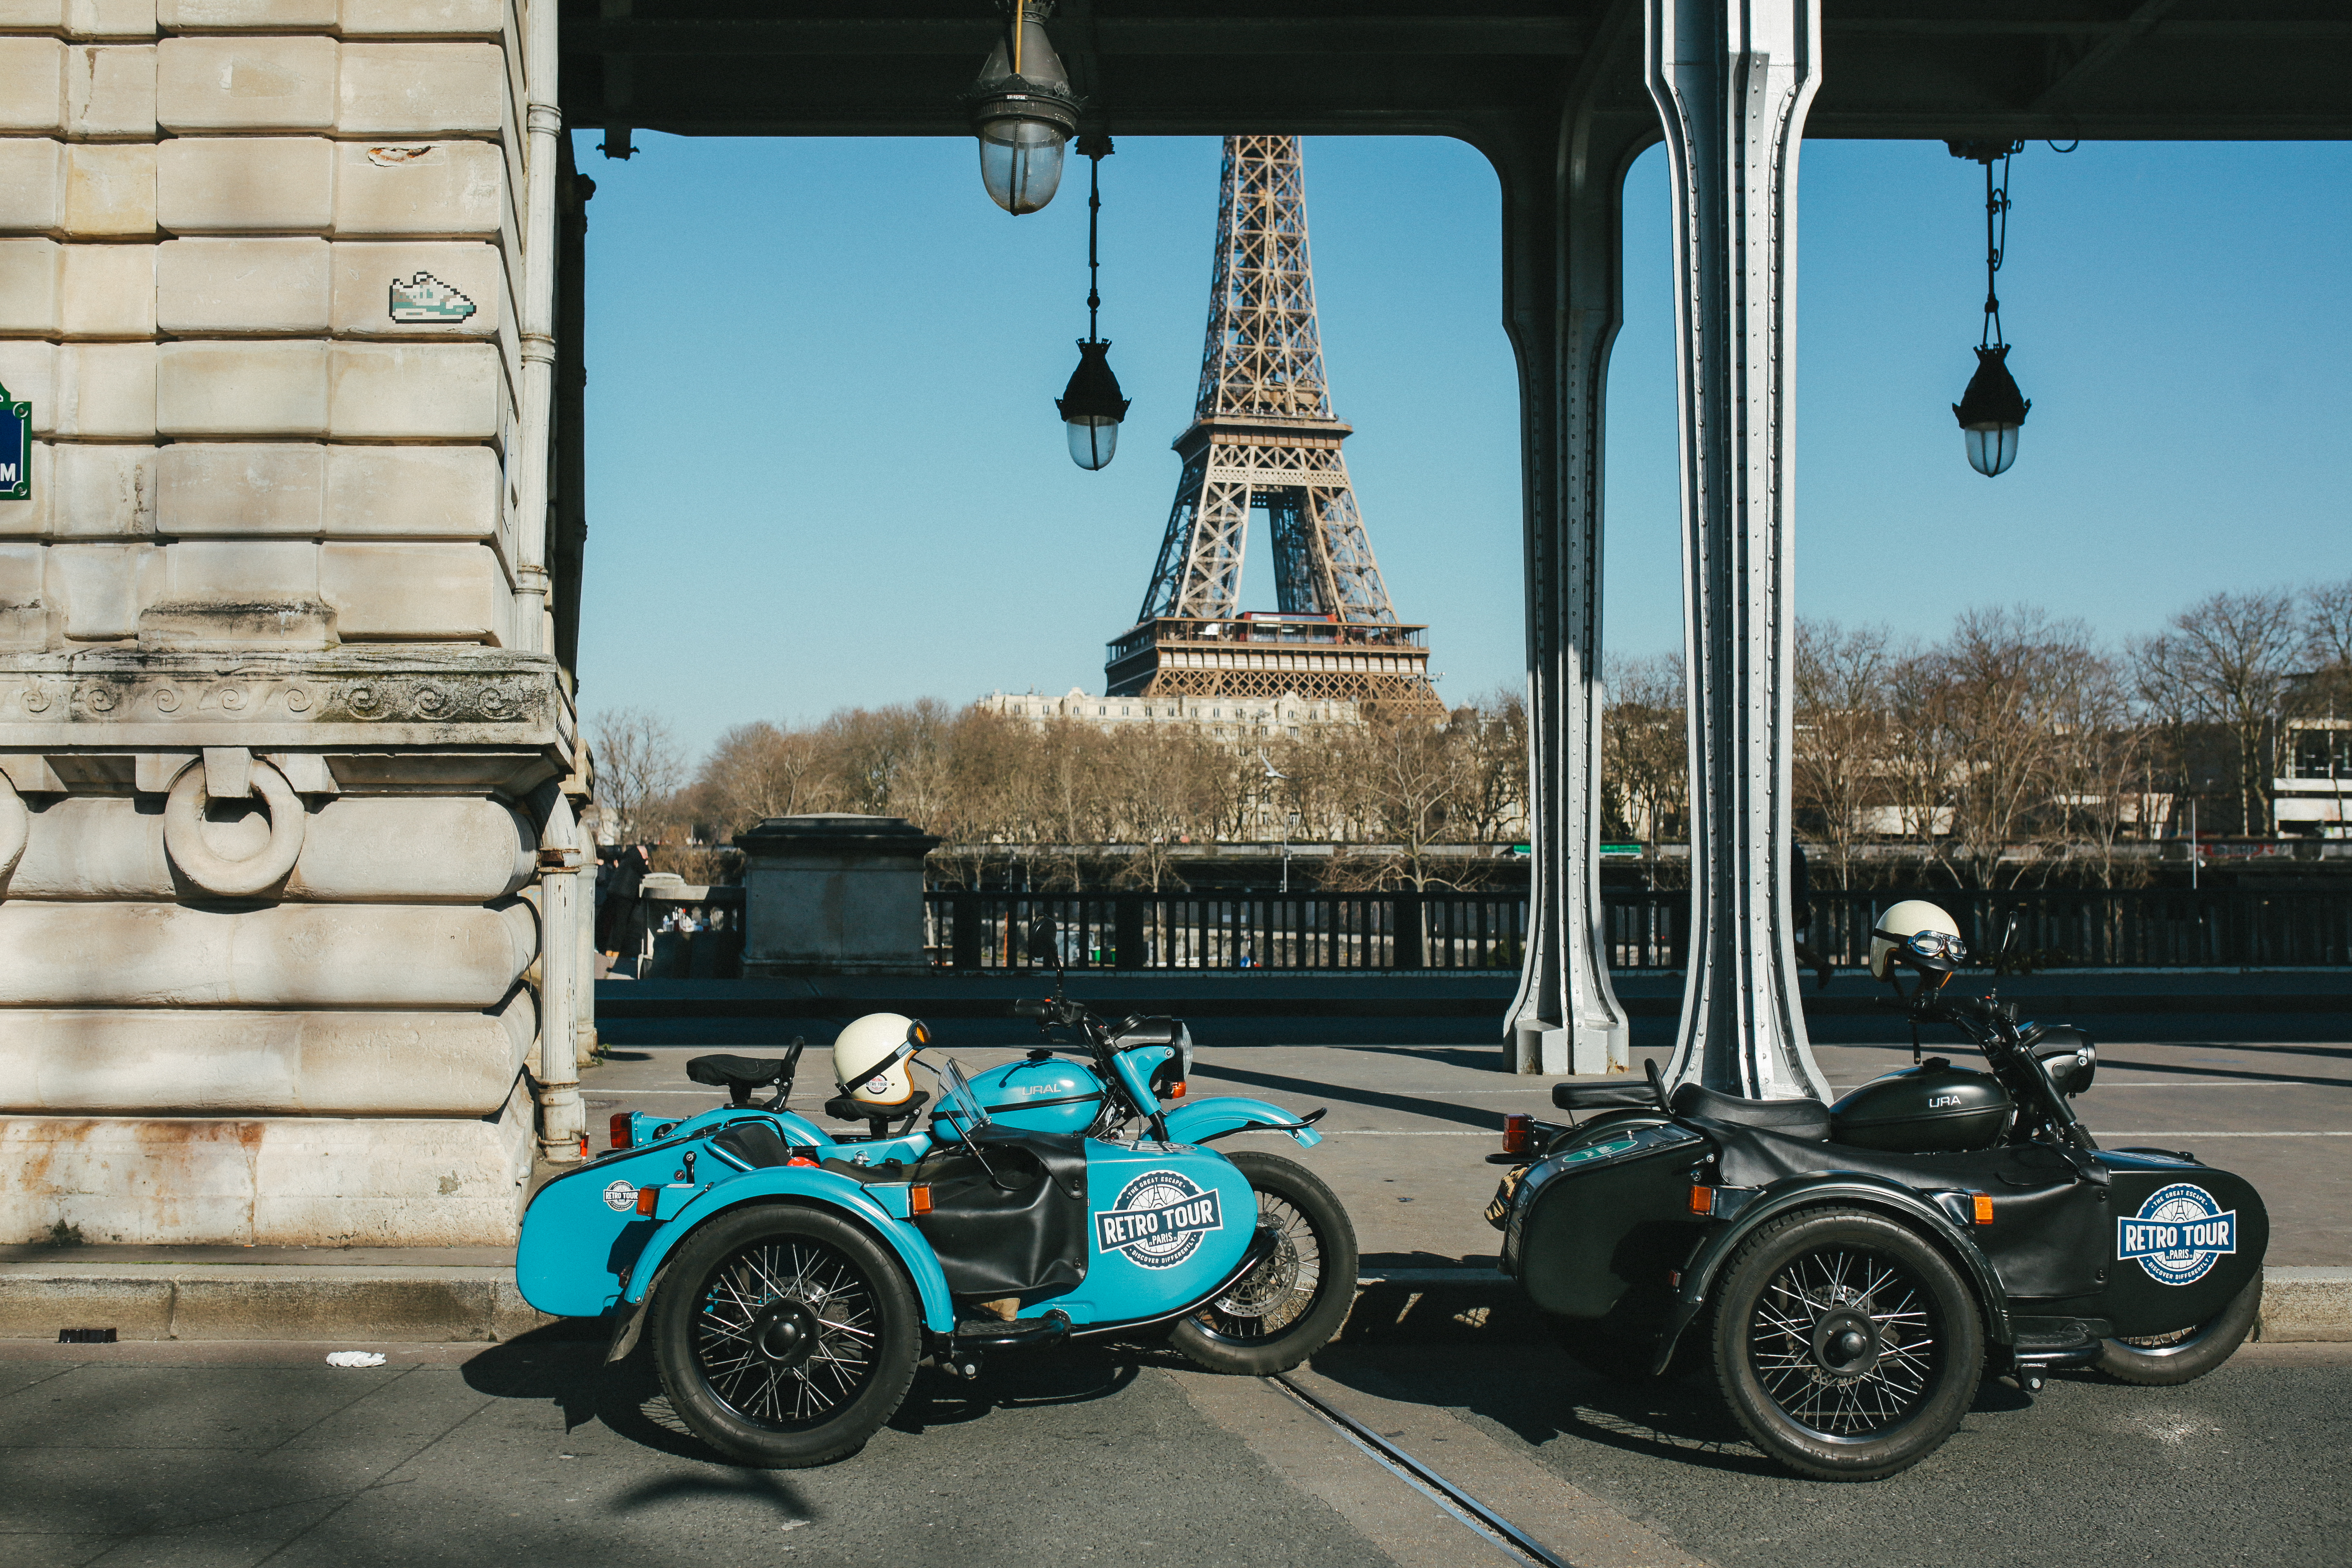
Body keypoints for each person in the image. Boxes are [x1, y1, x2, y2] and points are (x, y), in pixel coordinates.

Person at [1791, 840, 1833, 991]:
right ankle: (1821, 967)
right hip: (1797, 904)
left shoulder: (1792, 853)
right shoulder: (1795, 851)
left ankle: (1821, 966)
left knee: (1786, 943)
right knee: (1788, 943)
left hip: (1793, 905)